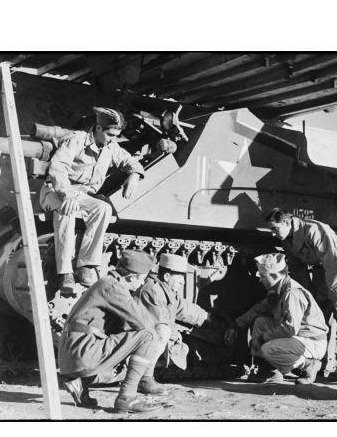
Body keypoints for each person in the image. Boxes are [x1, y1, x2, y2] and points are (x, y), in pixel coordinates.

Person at [40, 107, 145, 293]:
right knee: (67, 208)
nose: (113, 139)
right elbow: (58, 168)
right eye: (110, 134)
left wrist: (135, 175)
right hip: (56, 191)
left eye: (116, 136)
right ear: (98, 128)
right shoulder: (76, 140)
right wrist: (68, 194)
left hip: (84, 196)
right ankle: (65, 273)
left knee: (103, 208)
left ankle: (86, 265)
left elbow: (131, 162)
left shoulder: (111, 147)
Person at [58, 249, 166, 413]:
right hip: (83, 352)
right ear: (131, 277)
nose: (142, 284)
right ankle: (127, 398)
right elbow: (143, 324)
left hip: (72, 353)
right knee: (148, 336)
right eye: (142, 280)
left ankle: (79, 383)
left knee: (125, 337)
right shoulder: (114, 287)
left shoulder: (106, 282)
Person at [265, 208, 337, 381]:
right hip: (321, 274)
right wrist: (306, 297)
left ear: (287, 223)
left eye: (275, 228)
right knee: (319, 319)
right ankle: (320, 364)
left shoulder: (316, 230)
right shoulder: (286, 238)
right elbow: (296, 267)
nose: (273, 234)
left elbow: (335, 264)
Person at [226, 253, 328, 384]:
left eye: (263, 276)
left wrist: (261, 338)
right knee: (260, 322)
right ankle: (269, 370)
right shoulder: (278, 289)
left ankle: (309, 365)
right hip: (300, 336)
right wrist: (236, 326)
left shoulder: (292, 293)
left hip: (312, 341)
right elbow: (259, 309)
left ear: (274, 276)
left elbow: (289, 328)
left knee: (269, 348)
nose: (260, 280)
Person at [136, 253, 210, 387]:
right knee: (164, 333)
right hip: (139, 336)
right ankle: (144, 378)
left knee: (176, 347)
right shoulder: (152, 290)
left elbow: (180, 306)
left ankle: (141, 370)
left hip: (144, 336)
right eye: (180, 277)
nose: (183, 282)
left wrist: (204, 316)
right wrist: (177, 340)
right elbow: (161, 321)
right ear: (166, 276)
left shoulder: (163, 289)